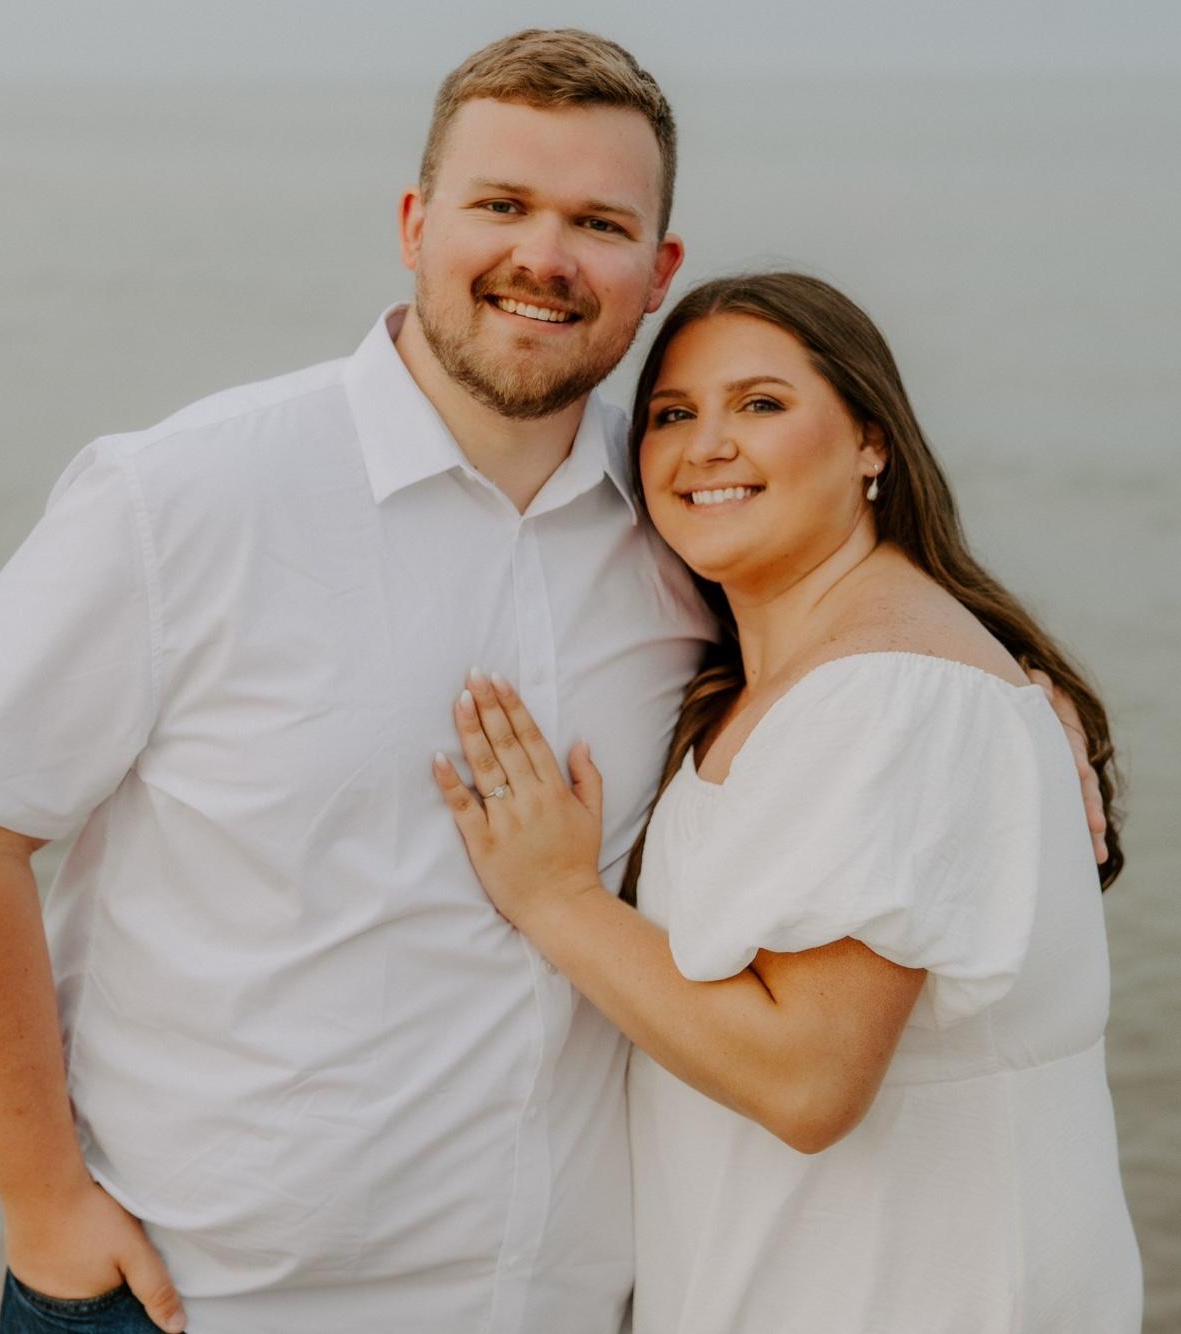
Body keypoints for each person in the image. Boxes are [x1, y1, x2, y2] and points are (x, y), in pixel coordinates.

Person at [0, 30, 1104, 1334]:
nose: (545, 257)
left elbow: (843, 634)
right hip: (203, 1299)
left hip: (557, 1300)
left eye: (598, 222)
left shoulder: (680, 520)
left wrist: (1010, 690)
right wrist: (42, 1199)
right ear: (416, 224)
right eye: (502, 205)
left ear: (655, 271)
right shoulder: (186, 493)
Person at [433, 272, 1143, 1332]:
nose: (707, 445)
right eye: (673, 414)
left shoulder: (888, 693)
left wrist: (556, 899)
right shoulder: (806, 676)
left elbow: (807, 1080)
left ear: (871, 442)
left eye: (760, 404)